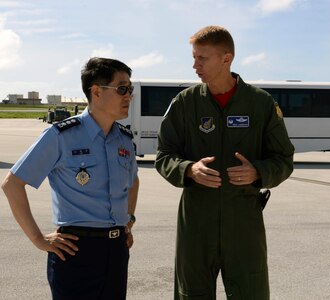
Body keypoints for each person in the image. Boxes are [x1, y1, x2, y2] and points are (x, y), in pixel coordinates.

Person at [155, 26, 294, 299]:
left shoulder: (260, 104)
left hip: (244, 222)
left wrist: (258, 172)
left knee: (250, 292)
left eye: (201, 58)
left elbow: (284, 159)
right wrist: (189, 169)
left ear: (226, 58)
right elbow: (164, 155)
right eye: (194, 58)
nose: (195, 65)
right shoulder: (185, 103)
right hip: (196, 223)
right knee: (191, 293)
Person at [1, 57, 139, 300]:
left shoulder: (124, 139)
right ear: (96, 91)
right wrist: (38, 239)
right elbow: (12, 184)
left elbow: (133, 181)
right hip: (75, 250)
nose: (128, 96)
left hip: (116, 251)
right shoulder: (61, 136)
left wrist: (128, 220)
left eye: (130, 89)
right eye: (122, 88)